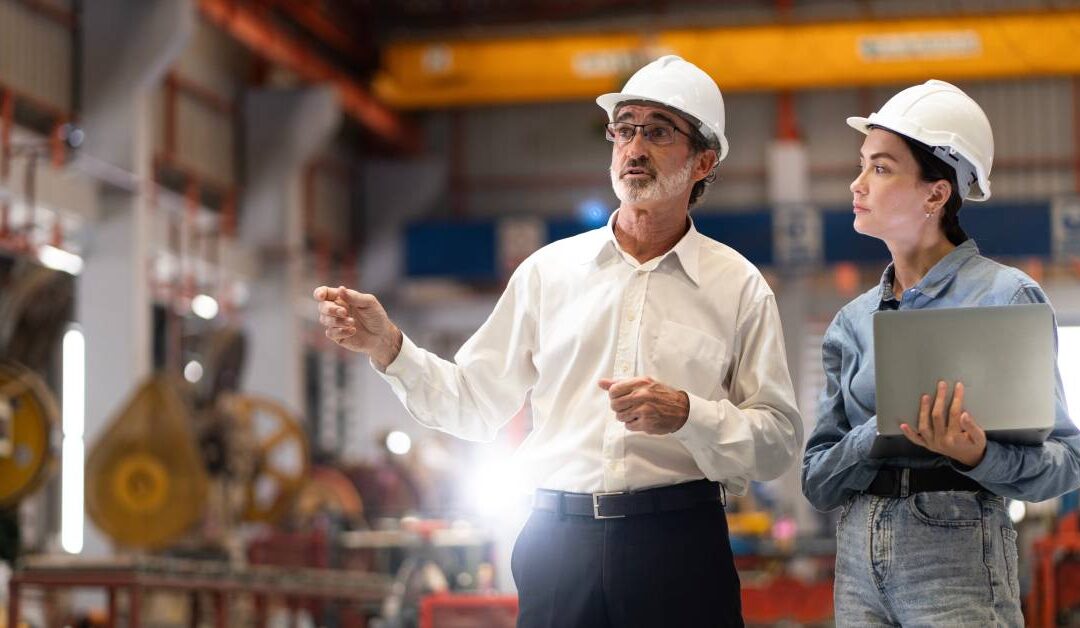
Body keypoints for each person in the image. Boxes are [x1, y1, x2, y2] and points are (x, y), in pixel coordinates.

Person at [315, 55, 803, 628]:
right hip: (557, 546)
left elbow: (777, 441)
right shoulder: (549, 274)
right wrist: (390, 348)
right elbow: (474, 405)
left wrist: (688, 414)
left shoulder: (738, 287)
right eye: (624, 129)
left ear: (703, 161)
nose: (634, 147)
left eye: (659, 132)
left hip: (679, 546)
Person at [801, 80, 1080, 626]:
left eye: (880, 169)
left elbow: (1068, 461)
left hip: (956, 550)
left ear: (937, 193)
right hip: (857, 554)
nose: (857, 184)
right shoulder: (853, 322)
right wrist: (879, 430)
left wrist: (976, 457)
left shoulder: (1005, 298)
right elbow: (817, 481)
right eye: (861, 165)